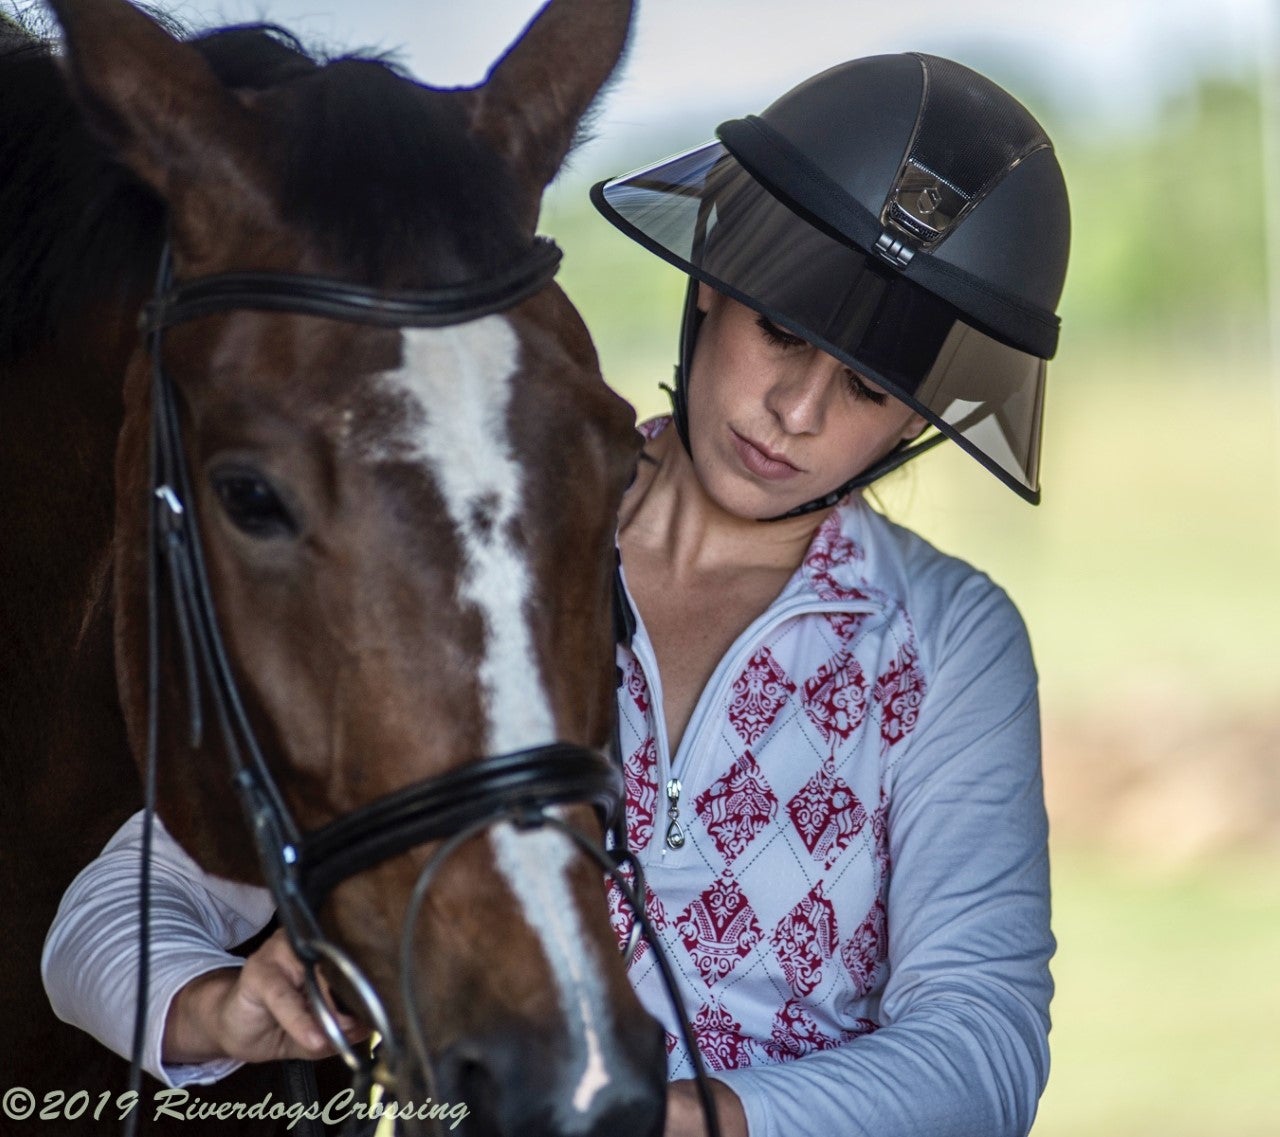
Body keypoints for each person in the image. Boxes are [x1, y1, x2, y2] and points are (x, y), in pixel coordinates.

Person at [44, 51, 1069, 1137]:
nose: (797, 411)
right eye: (782, 331)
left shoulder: (948, 640)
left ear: (917, 419)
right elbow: (107, 915)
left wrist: (636, 1119)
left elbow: (982, 1046)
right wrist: (214, 1007)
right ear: (714, 279)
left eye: (868, 387)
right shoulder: (474, 561)